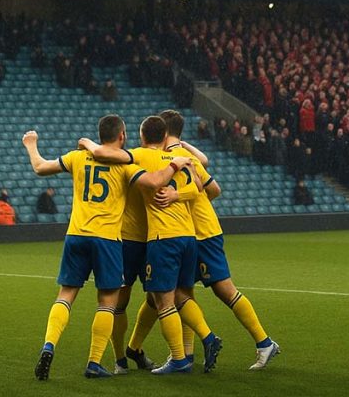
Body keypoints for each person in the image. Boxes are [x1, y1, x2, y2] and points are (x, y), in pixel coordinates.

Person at [23, 116, 191, 380]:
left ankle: (49, 345)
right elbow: (155, 182)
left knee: (66, 294)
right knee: (108, 302)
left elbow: (40, 167)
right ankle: (94, 362)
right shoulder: (125, 165)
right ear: (122, 136)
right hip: (108, 239)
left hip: (76, 235)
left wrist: (31, 144)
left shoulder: (77, 158)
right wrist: (175, 165)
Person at [80, 115, 223, 375]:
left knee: (124, 302)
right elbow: (202, 175)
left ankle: (124, 358)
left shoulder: (136, 156)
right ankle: (145, 350)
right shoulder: (177, 160)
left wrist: (87, 143)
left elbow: (104, 152)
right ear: (165, 135)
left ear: (141, 136)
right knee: (172, 296)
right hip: (172, 236)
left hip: (134, 239)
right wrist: (180, 168)